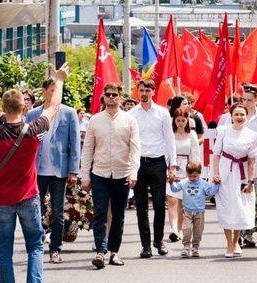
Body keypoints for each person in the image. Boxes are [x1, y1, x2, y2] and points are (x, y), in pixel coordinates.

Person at [0, 63, 69, 283]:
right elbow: (53, 107)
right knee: (35, 246)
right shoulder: (33, 130)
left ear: (2, 109)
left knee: (4, 252)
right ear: (24, 107)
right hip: (28, 197)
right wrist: (59, 80)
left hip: (1, 200)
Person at [80, 83, 140, 269]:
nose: (112, 98)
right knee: (99, 213)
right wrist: (85, 175)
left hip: (122, 174)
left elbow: (135, 148)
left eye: (115, 95)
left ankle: (114, 252)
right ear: (104, 97)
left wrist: (133, 171)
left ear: (121, 98)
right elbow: (88, 149)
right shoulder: (95, 121)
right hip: (100, 173)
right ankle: (100, 250)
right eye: (108, 94)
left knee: (118, 215)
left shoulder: (130, 120)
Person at [26, 77, 80, 264]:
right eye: (51, 90)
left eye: (57, 90)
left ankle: (55, 248)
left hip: (59, 171)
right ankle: (36, 244)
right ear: (44, 91)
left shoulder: (69, 113)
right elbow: (26, 143)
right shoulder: (33, 114)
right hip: (37, 170)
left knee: (57, 212)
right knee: (34, 210)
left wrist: (74, 171)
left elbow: (75, 144)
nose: (54, 93)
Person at [129, 79, 178, 258]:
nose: (144, 94)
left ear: (153, 92)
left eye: (147, 90)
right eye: (141, 90)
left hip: (158, 163)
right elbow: (129, 141)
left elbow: (169, 139)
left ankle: (159, 240)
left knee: (159, 204)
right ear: (138, 92)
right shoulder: (132, 114)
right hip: (139, 163)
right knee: (141, 207)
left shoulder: (163, 113)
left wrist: (172, 166)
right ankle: (146, 245)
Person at [217, 83, 257, 248]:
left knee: (249, 201)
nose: (246, 103)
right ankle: (234, 238)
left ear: (256, 100)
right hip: (230, 165)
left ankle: (249, 233)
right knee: (231, 200)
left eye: (249, 100)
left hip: (252, 164)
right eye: (244, 99)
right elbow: (220, 142)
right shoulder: (228, 118)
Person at [211, 104, 257, 257]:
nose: (239, 117)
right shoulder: (223, 131)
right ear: (231, 116)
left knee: (240, 207)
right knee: (226, 206)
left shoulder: (252, 135)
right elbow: (216, 153)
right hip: (226, 172)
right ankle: (229, 244)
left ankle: (236, 241)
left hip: (243, 173)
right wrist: (216, 173)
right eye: (236, 114)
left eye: (242, 114)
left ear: (246, 116)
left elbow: (252, 160)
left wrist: (250, 180)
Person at [169, 162, 220, 258]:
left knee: (198, 231)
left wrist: (216, 185)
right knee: (186, 230)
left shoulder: (203, 183)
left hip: (199, 211)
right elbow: (175, 189)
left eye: (195, 176)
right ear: (187, 174)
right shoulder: (184, 182)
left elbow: (210, 192)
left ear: (199, 174)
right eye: (190, 176)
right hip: (187, 211)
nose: (192, 178)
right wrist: (171, 182)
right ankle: (186, 247)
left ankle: (195, 247)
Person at [166, 108, 201, 243]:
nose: (180, 123)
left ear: (187, 121)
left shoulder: (191, 135)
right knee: (172, 200)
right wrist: (167, 170)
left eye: (183, 120)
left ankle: (180, 229)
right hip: (172, 170)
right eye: (178, 120)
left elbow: (195, 154)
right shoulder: (170, 134)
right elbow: (166, 153)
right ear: (174, 121)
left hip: (186, 171)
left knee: (181, 202)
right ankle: (173, 228)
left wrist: (194, 172)